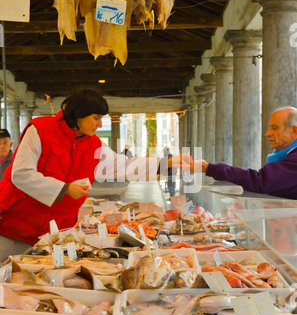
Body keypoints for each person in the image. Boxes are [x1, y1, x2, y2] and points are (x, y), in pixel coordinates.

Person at [0, 86, 194, 258]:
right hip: (16, 227)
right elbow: (21, 174)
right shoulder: (40, 129)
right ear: (78, 114)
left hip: (56, 233)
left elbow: (123, 165)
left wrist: (167, 163)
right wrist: (64, 189)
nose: (100, 124)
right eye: (96, 118)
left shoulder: (93, 144)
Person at [194, 106, 297, 200]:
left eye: (275, 128)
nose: (267, 133)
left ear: (294, 131)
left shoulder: (294, 160)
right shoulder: (286, 156)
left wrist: (209, 168)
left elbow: (259, 182)